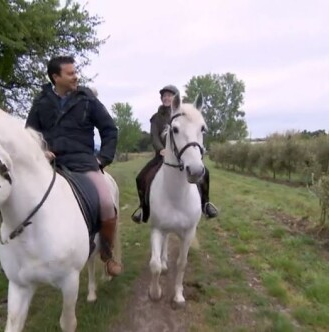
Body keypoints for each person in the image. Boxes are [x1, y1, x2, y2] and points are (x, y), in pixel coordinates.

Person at [25, 56, 122, 277]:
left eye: (75, 72)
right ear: (55, 77)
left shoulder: (87, 99)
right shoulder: (40, 103)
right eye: (70, 73)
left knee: (107, 203)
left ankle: (107, 254)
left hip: (83, 163)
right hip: (50, 164)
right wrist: (41, 151)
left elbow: (109, 129)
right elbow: (29, 134)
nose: (75, 76)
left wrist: (102, 159)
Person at [131, 84, 219, 223]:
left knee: (205, 173)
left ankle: (206, 204)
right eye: (164, 96)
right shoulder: (155, 118)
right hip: (161, 156)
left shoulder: (183, 115)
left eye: (169, 95)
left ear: (175, 98)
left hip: (181, 155)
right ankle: (143, 208)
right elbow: (154, 136)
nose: (166, 98)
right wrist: (161, 149)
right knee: (141, 177)